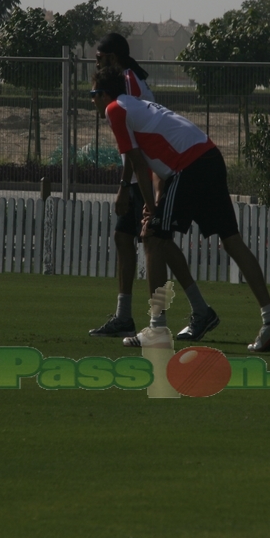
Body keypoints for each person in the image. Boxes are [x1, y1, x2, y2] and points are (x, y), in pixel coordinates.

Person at [90, 65, 270, 353]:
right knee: (232, 241)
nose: (92, 101)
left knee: (153, 238)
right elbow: (153, 162)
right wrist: (153, 205)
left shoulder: (115, 109)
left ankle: (157, 329)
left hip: (190, 166)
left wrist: (149, 208)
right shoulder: (139, 106)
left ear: (105, 94)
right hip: (210, 157)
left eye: (93, 94)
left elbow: (138, 162)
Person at [88, 33, 169, 338]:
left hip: (144, 173)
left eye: (100, 57)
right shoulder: (126, 78)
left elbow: (136, 141)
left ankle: (195, 311)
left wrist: (125, 184)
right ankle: (124, 315)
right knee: (124, 238)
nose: (96, 62)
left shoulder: (127, 81)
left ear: (113, 57)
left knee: (157, 245)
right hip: (137, 172)